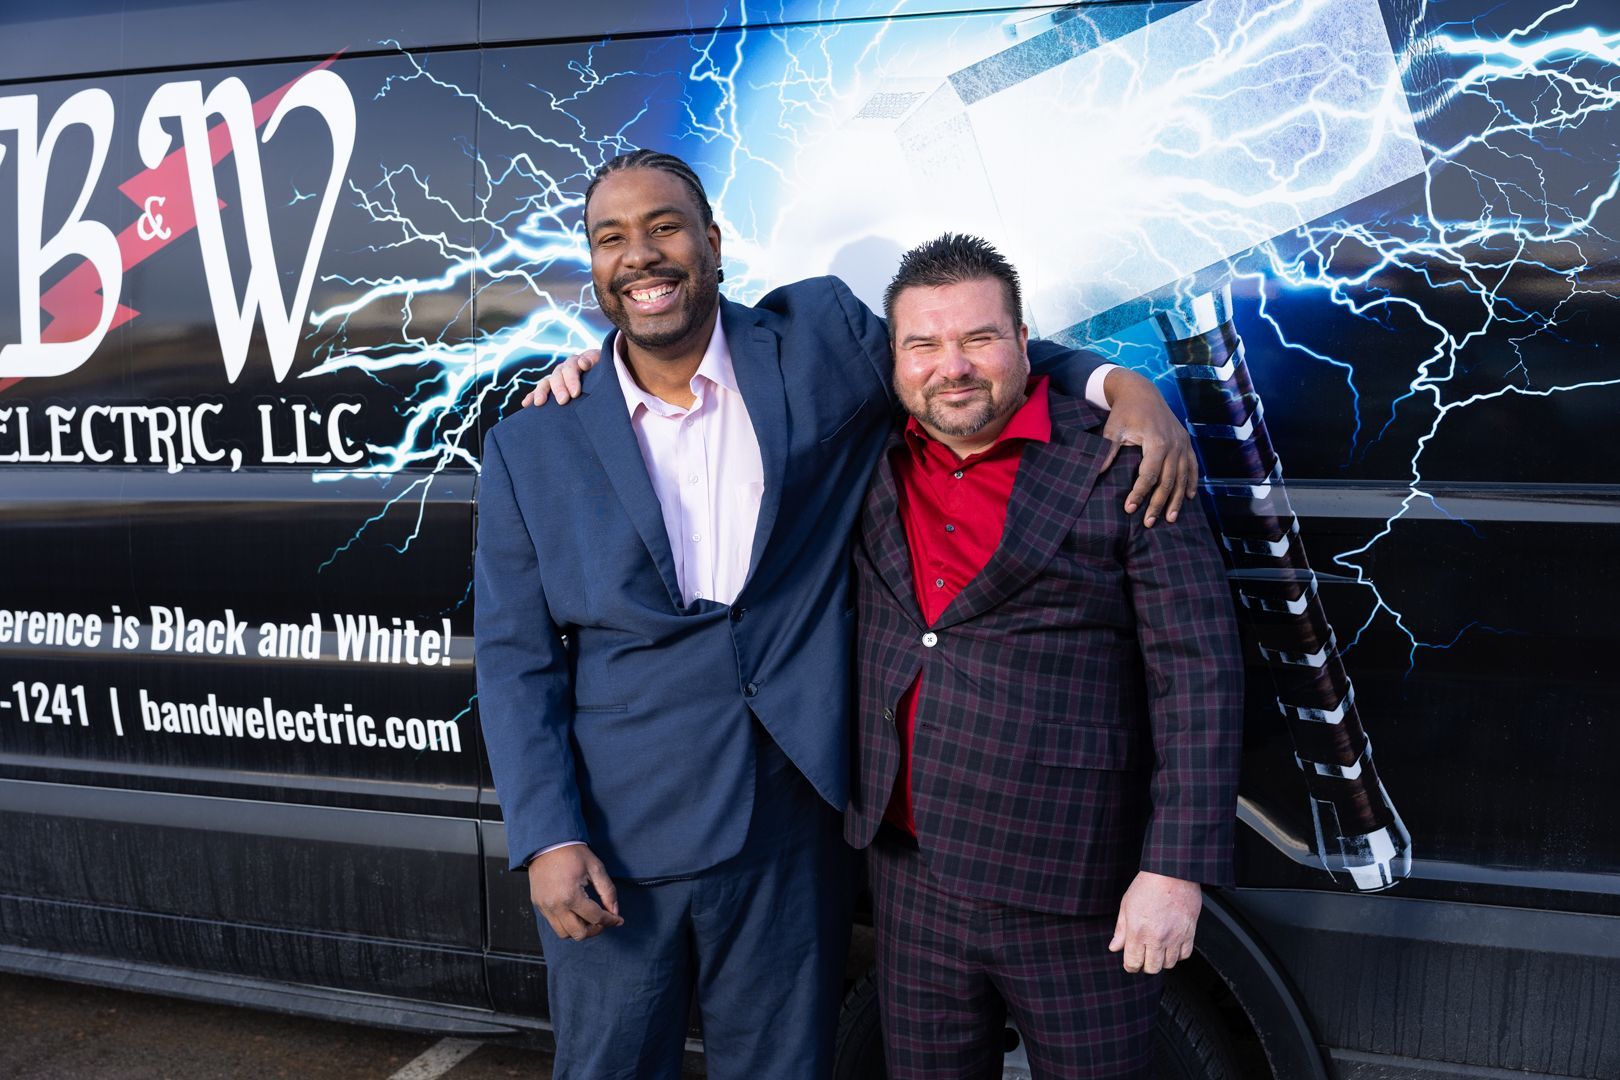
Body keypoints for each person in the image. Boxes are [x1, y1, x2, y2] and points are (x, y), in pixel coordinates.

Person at [476, 149, 1194, 1079]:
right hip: (619, 832)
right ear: (594, 272)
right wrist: (548, 835)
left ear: (712, 244)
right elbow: (513, 655)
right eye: (612, 239)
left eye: (663, 227)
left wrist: (1118, 386)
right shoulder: (534, 441)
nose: (641, 256)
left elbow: (966, 354)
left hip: (792, 817)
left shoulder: (817, 342)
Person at [844, 233, 1243, 1079]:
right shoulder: (868, 451)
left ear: (1027, 345)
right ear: (894, 360)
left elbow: (1198, 675)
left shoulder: (1123, 461)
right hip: (911, 881)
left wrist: (1175, 869)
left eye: (979, 339)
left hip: (1074, 885)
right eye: (923, 344)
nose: (951, 366)